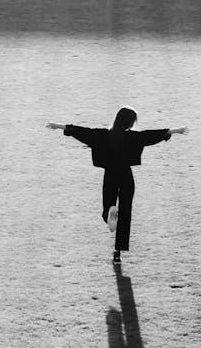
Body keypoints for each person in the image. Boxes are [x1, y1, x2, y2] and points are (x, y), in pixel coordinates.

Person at [47, 108, 188, 263]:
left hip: (110, 175)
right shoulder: (133, 137)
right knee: (126, 213)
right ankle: (117, 252)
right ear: (129, 122)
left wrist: (58, 126)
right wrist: (175, 130)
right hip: (126, 176)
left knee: (108, 205)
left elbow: (82, 132)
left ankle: (109, 213)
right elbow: (150, 135)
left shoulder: (102, 135)